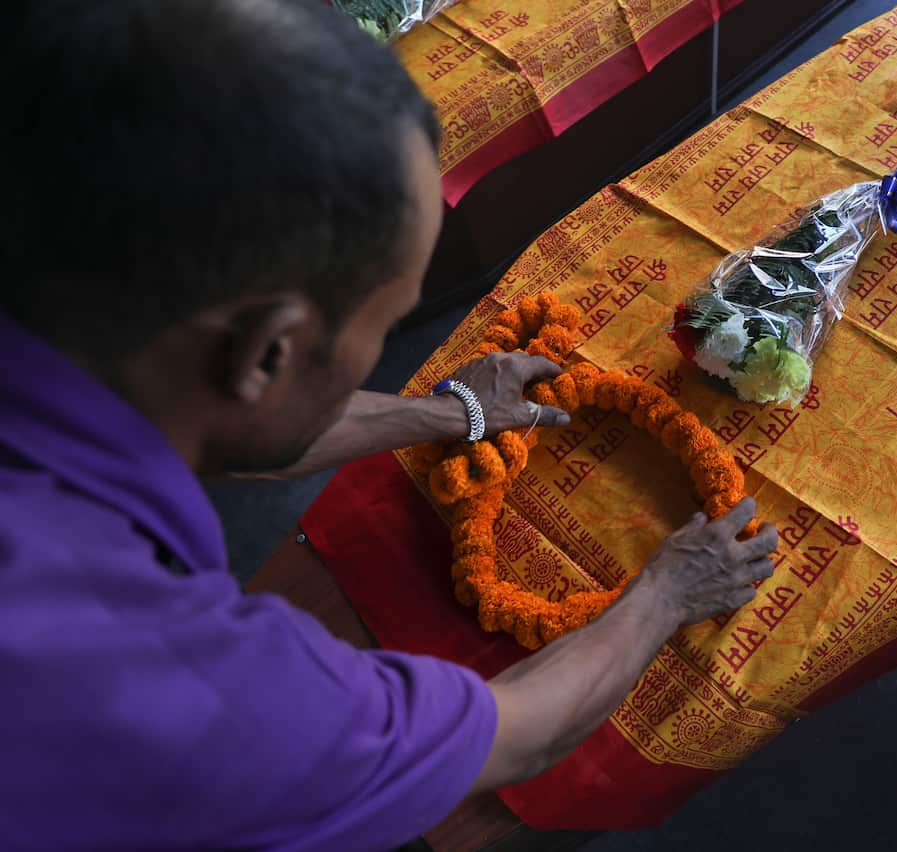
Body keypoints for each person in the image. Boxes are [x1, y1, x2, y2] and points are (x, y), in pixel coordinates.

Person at [0, 1, 778, 850]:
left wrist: (457, 411)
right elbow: (519, 732)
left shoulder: (79, 316)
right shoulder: (175, 682)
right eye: (388, 317)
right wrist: (668, 592)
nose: (388, 339)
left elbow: (211, 419)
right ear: (267, 352)